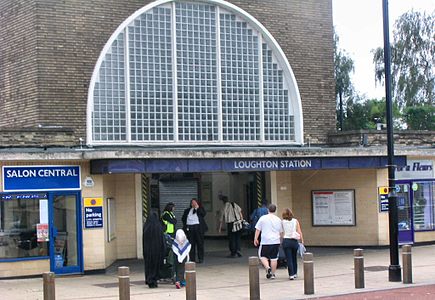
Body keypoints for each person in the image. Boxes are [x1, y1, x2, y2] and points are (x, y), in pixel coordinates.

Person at [254, 204, 283, 279]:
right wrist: (280, 240)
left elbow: (258, 229)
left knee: (262, 256)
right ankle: (273, 274)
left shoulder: (263, 218)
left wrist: (255, 238)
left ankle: (267, 267)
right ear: (275, 210)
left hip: (265, 241)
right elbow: (281, 232)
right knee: (274, 258)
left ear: (268, 210)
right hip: (276, 241)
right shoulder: (278, 219)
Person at [142, 212, 166, 288]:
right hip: (157, 251)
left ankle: (149, 279)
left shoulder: (146, 226)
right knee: (156, 266)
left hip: (148, 251)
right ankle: (155, 280)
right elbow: (162, 240)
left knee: (149, 266)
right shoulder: (158, 226)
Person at [182, 198, 208, 263]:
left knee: (200, 243)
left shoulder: (200, 209)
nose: (193, 204)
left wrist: (197, 208)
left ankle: (200, 258)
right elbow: (183, 218)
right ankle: (192, 258)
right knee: (191, 244)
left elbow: (203, 214)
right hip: (190, 228)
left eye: (194, 202)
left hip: (198, 228)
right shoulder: (187, 210)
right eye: (192, 202)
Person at [281, 208, 304, 280]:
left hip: (286, 241)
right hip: (294, 241)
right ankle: (295, 273)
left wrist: (281, 239)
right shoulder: (295, 221)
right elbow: (299, 231)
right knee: (294, 258)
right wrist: (302, 240)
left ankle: (291, 274)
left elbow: (281, 233)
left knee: (289, 258)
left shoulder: (282, 222)